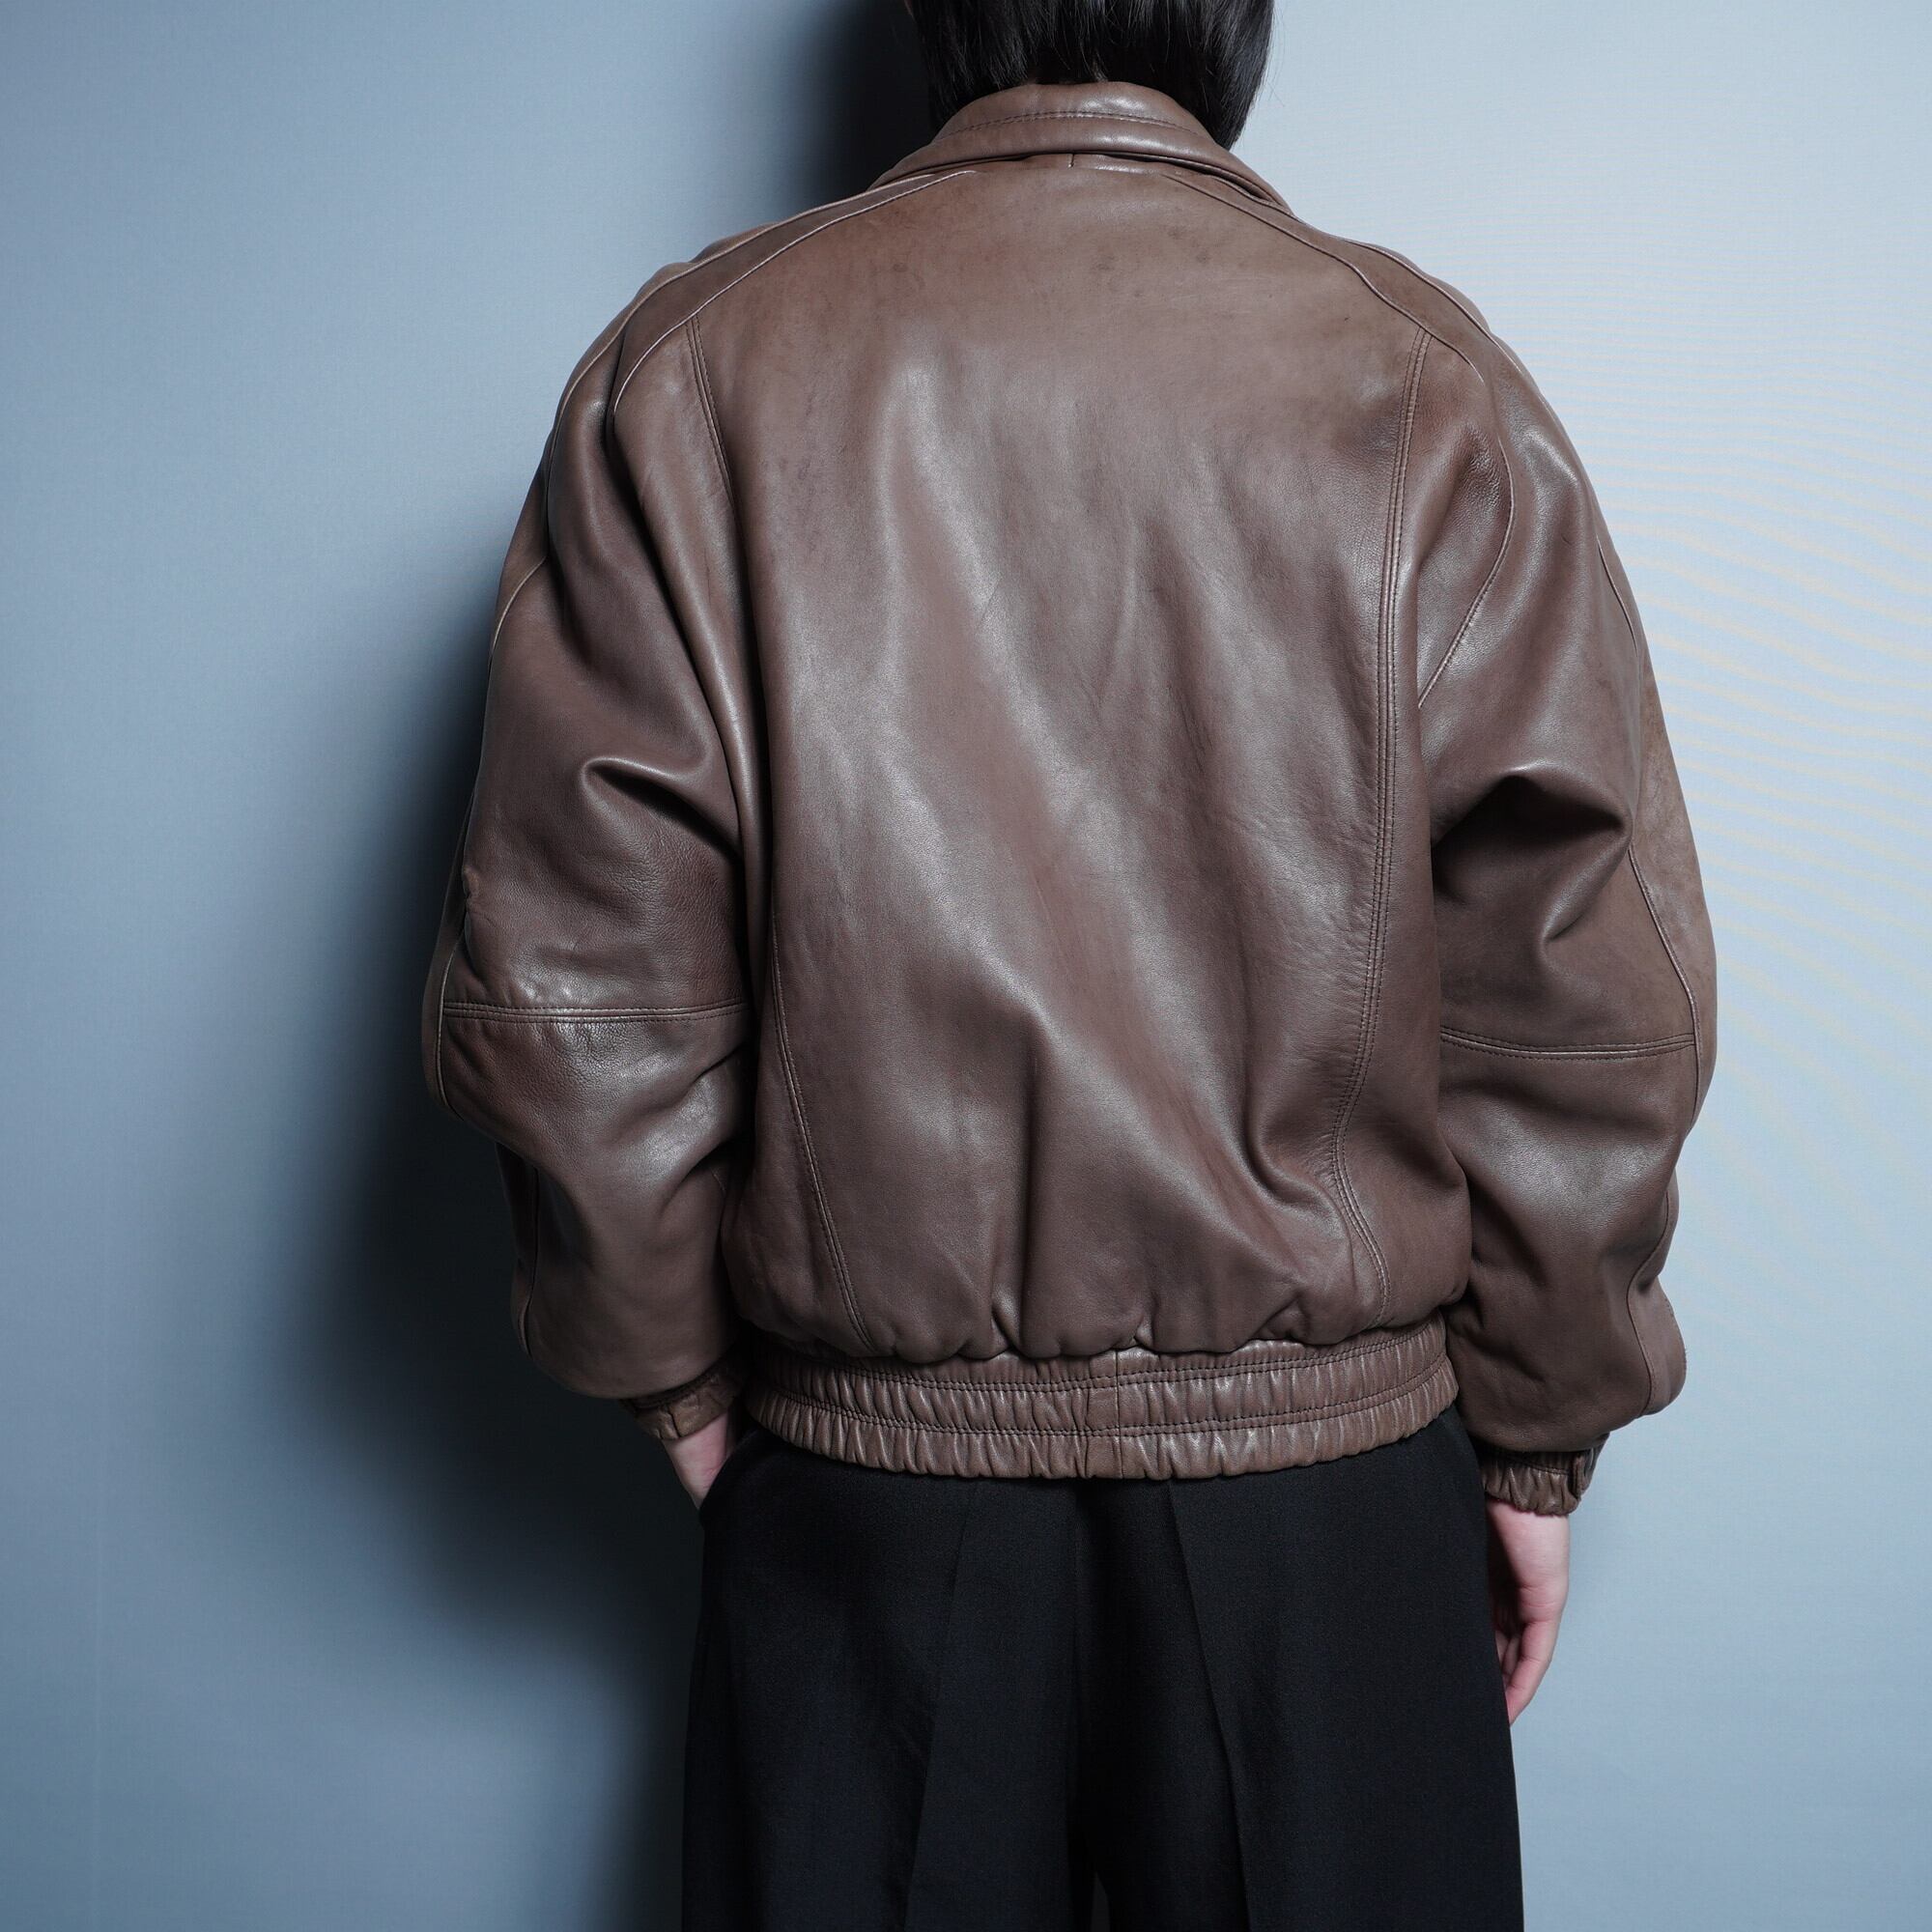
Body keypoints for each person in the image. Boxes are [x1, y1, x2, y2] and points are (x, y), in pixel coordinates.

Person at [420, 2, 1717, 1924]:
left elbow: (578, 985)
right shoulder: (1422, 381)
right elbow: (1582, 991)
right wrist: (1537, 1431)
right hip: (1328, 1500)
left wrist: (675, 1383)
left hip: (864, 1487)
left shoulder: (689, 376)